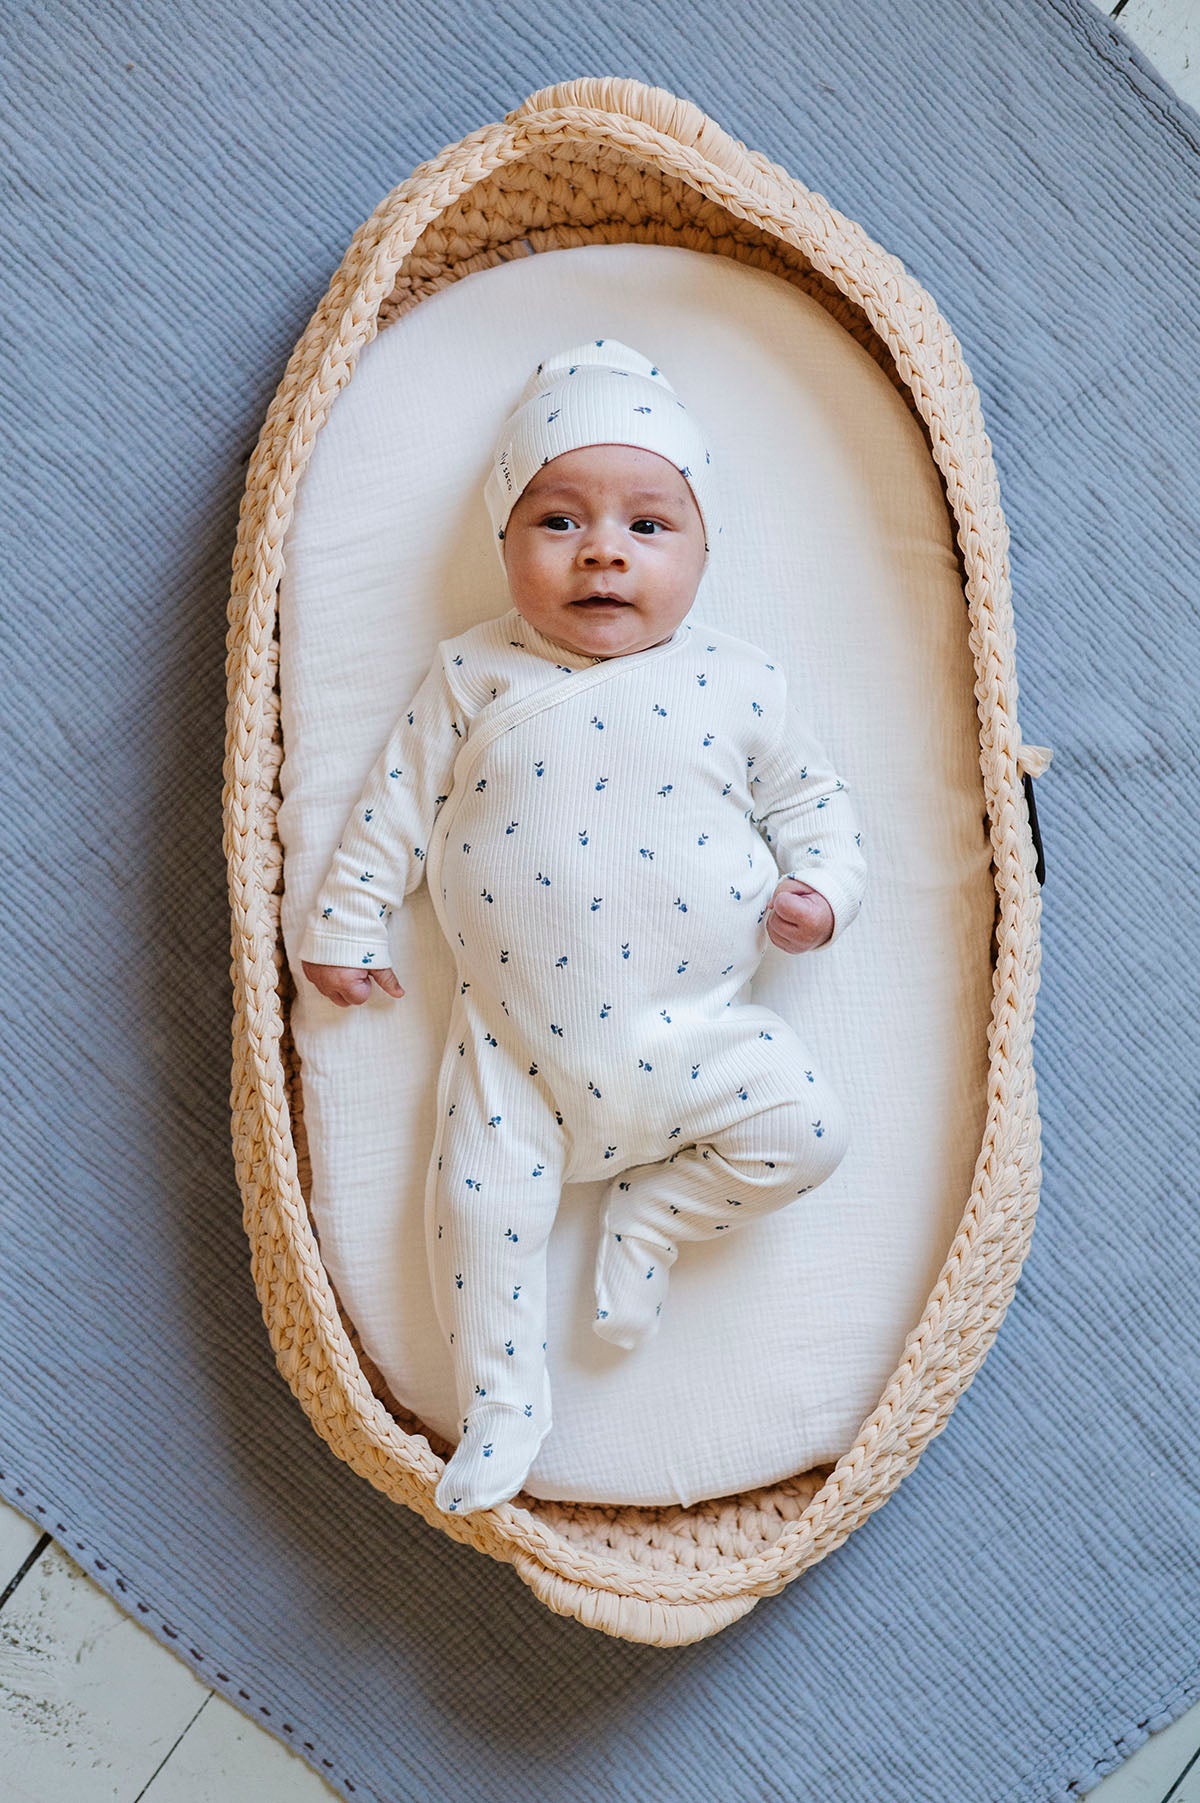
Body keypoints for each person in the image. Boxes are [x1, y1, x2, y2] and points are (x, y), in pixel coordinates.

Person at [299, 339, 868, 1515]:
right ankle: (505, 1402)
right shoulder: (471, 674)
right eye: (558, 520)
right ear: (506, 545)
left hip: (703, 1037)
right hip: (519, 1054)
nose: (603, 549)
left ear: (705, 554)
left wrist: (823, 893)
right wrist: (349, 922)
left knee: (809, 1128)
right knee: (475, 1208)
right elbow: (393, 805)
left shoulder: (738, 681)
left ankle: (657, 1214)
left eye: (648, 526)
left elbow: (818, 807)